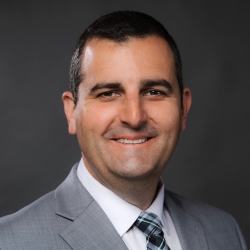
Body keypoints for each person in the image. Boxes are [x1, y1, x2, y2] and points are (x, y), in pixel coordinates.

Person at [0, 10, 247, 250]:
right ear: (71, 113)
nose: (134, 117)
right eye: (108, 93)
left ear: (183, 108)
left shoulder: (224, 231)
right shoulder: (9, 242)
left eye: (154, 92)